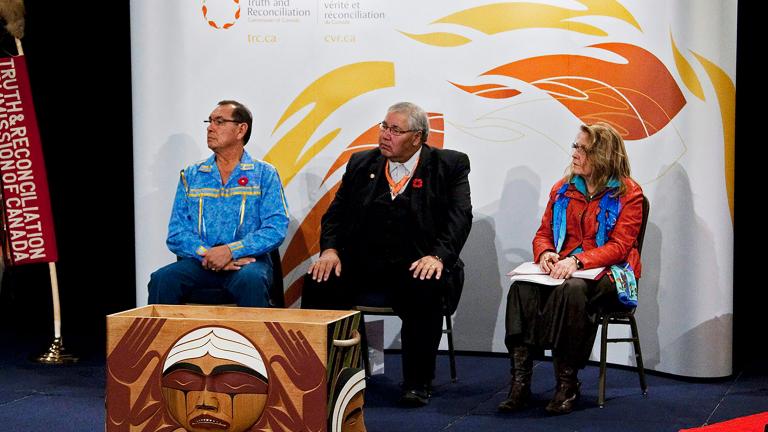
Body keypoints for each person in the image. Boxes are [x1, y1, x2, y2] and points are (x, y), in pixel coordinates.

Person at [302, 102, 473, 407]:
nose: (385, 135)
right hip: (365, 263)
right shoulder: (361, 164)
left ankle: (417, 383)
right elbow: (335, 215)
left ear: (417, 137)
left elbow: (460, 217)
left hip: (418, 262)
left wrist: (438, 256)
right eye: (384, 126)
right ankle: (330, 375)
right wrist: (329, 250)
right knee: (319, 281)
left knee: (425, 287)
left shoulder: (449, 165)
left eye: (395, 130)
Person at [499, 122, 644, 415]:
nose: (574, 153)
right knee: (521, 288)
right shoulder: (563, 189)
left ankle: (567, 382)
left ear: (602, 155)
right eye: (574, 146)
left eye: (582, 148)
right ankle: (520, 380)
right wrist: (546, 254)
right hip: (565, 268)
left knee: (574, 289)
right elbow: (543, 233)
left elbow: (620, 246)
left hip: (611, 274)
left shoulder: (628, 194)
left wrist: (578, 261)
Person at [148, 100, 289, 307]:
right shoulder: (191, 175)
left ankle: (253, 340)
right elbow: (177, 233)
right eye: (210, 121)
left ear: (241, 129)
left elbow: (275, 228)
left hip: (247, 263)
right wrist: (209, 254)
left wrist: (231, 251)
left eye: (219, 122)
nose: (210, 127)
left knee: (251, 280)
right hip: (201, 262)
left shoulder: (264, 174)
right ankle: (162, 340)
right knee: (162, 280)